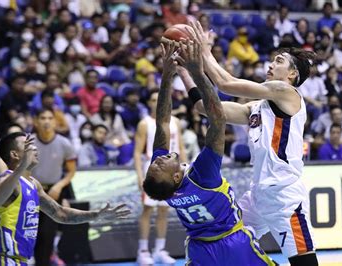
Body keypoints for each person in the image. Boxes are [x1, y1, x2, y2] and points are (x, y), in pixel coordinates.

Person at [186, 21, 318, 265]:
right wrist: (185, 71)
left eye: (279, 61)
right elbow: (207, 109)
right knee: (218, 239)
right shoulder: (256, 108)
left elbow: (225, 83)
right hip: (257, 195)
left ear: (293, 74)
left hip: (284, 196)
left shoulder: (288, 93)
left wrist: (204, 51)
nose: (270, 64)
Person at [143, 41, 275, 265]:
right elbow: (218, 120)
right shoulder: (202, 176)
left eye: (155, 161)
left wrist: (167, 75)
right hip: (232, 242)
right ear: (176, 177)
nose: (160, 158)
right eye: (160, 163)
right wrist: (197, 72)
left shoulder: (166, 189)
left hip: (199, 249)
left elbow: (163, 122)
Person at [0, 132, 129, 265]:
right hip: (3, 260)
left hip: (20, 261)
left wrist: (97, 215)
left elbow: (60, 214)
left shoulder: (34, 184)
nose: (34, 148)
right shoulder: (7, 180)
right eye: (28, 145)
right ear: (15, 154)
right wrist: (22, 166)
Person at [134, 89, 186, 265]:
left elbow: (181, 148)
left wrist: (185, 172)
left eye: (160, 99)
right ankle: (143, 251)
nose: (157, 102)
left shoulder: (176, 122)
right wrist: (139, 175)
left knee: (164, 210)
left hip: (171, 172)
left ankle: (159, 250)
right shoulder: (144, 123)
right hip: (152, 170)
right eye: (153, 99)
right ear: (148, 103)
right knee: (147, 210)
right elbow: (136, 152)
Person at [31, 108, 77, 265]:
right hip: (31, 191)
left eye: (50, 118)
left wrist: (59, 186)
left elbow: (71, 172)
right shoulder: (28, 143)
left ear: (55, 122)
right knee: (30, 233)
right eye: (42, 117)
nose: (46, 121)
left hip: (53, 193)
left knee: (47, 235)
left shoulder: (64, 143)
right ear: (35, 121)